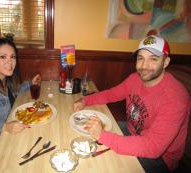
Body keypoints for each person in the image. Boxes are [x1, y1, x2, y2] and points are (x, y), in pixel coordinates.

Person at [74, 35, 190, 173]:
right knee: (83, 138)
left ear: (165, 62)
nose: (144, 66)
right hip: (132, 132)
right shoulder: (135, 79)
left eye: (153, 59)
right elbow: (112, 94)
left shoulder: (175, 98)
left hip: (161, 158)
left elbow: (153, 147)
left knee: (105, 166)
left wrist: (102, 135)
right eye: (140, 58)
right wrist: (85, 100)